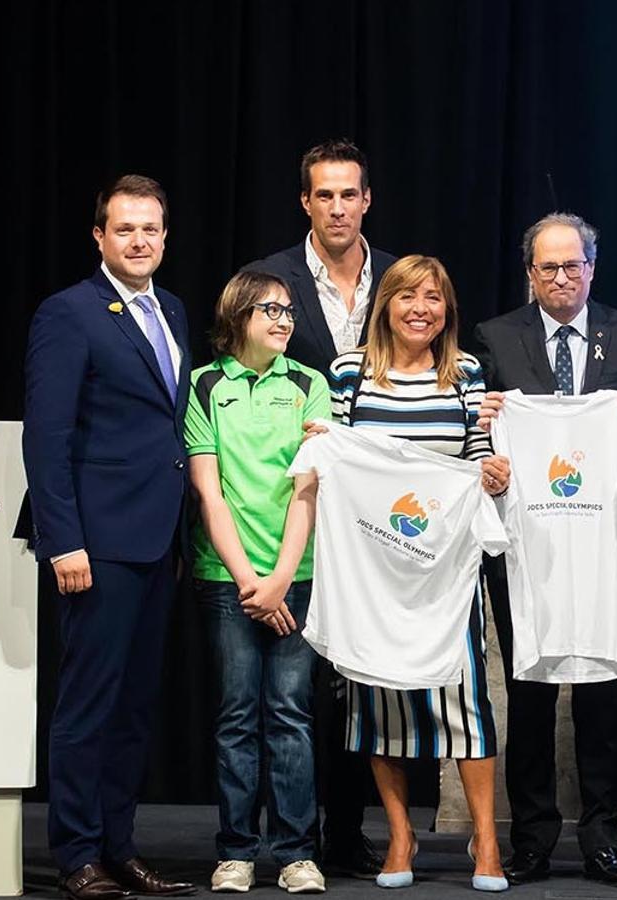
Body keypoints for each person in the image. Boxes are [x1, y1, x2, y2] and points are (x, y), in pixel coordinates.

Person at [21, 175, 197, 900]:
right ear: (99, 237)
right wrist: (63, 542)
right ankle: (76, 854)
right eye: (124, 229)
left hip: (159, 541)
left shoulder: (175, 311)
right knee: (88, 704)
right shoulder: (69, 314)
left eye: (150, 229)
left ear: (164, 236)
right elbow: (47, 437)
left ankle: (120, 847)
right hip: (96, 544)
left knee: (132, 708)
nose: (139, 241)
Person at [473, 212, 617, 887]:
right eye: (547, 267)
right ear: (530, 273)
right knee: (529, 694)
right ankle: (532, 839)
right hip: (525, 544)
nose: (560, 277)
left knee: (602, 692)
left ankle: (604, 837)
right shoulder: (495, 338)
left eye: (572, 264)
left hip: (601, 539)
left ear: (592, 266)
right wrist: (485, 421)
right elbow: (475, 433)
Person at [322, 254, 512, 892]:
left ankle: (485, 840)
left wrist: (492, 471)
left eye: (433, 297)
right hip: (372, 568)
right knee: (377, 700)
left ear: (446, 309)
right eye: (407, 296)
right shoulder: (349, 372)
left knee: (465, 703)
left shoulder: (463, 374)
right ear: (386, 304)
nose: (419, 308)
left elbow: (477, 453)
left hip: (446, 568)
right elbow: (336, 456)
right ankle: (400, 835)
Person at [246, 138, 392, 877]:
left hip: (376, 503)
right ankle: (287, 835)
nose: (337, 207)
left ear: (367, 200)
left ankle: (348, 827)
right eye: (324, 195)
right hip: (289, 497)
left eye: (350, 194)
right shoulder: (266, 278)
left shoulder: (400, 281)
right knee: (294, 681)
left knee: (359, 670)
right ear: (306, 202)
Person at [184, 271, 329, 894]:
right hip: (227, 579)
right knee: (237, 716)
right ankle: (237, 850)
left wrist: (279, 580)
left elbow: (308, 488)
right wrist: (249, 582)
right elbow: (208, 492)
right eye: (269, 309)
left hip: (297, 576)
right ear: (238, 314)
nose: (283, 319)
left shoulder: (309, 385)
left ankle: (296, 852)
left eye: (289, 310)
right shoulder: (205, 384)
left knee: (290, 715)